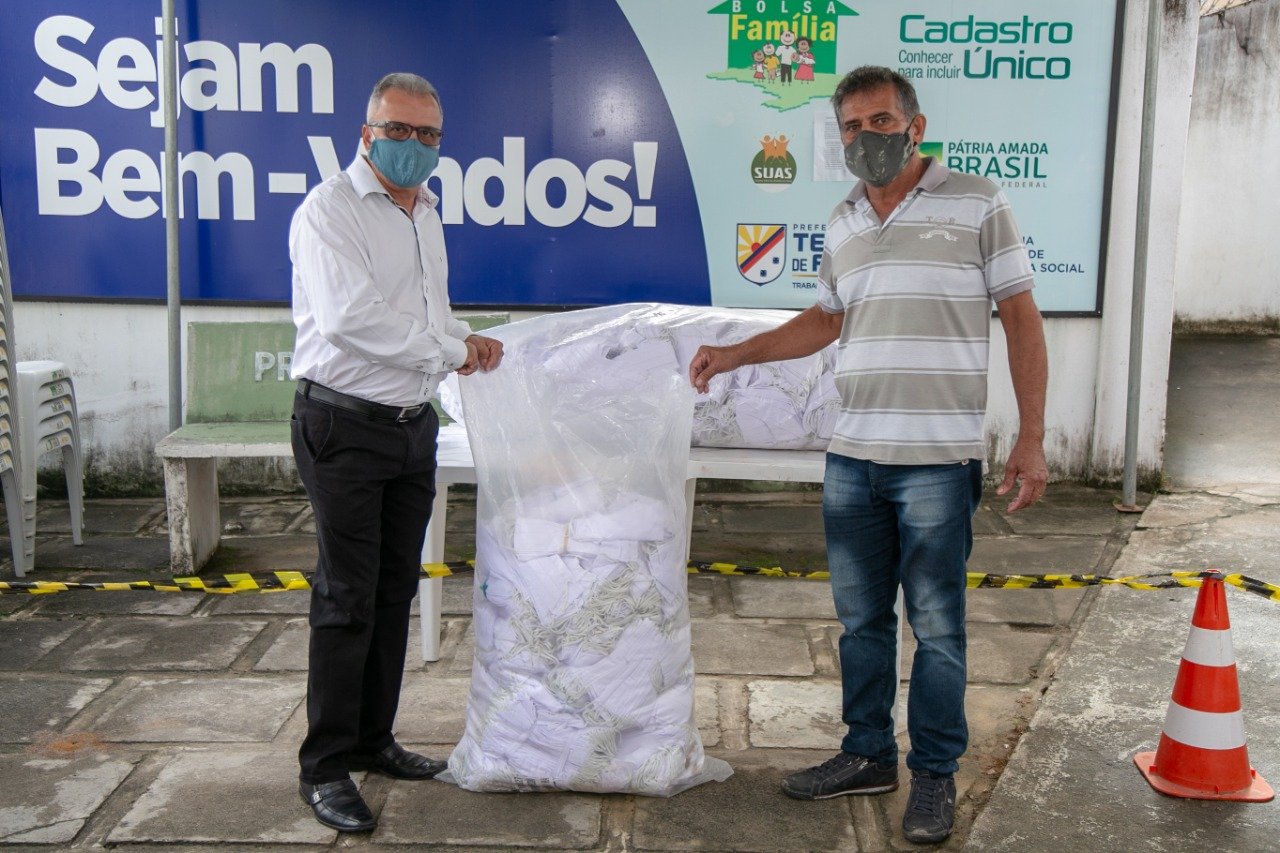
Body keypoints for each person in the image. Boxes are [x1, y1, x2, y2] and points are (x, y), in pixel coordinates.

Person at [688, 65, 1048, 845]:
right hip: (852, 459)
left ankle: (935, 774)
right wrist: (736, 352)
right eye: (852, 126)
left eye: (881, 121)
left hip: (937, 462)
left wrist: (1031, 436)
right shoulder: (844, 220)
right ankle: (867, 753)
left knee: (938, 628)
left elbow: (1021, 316)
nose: (866, 136)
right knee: (860, 623)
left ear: (915, 127)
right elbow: (825, 321)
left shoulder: (977, 201)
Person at [288, 72, 503, 833]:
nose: (414, 145)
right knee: (346, 595)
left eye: (428, 134)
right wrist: (451, 349)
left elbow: (426, 313)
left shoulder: (426, 213)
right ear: (367, 133)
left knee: (392, 590)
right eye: (399, 130)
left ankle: (373, 740)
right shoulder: (330, 211)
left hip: (411, 426)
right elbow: (352, 320)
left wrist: (464, 341)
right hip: (343, 425)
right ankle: (325, 767)